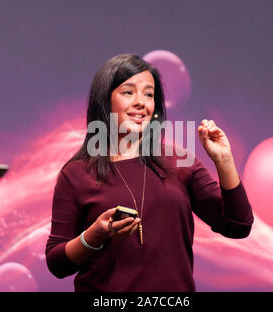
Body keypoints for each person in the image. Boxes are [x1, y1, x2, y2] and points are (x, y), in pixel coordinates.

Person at [45, 53, 254, 292]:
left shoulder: (179, 161)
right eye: (128, 92)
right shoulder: (76, 174)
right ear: (105, 101)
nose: (140, 103)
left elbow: (238, 226)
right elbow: (57, 263)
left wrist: (224, 160)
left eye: (149, 94)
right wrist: (93, 236)